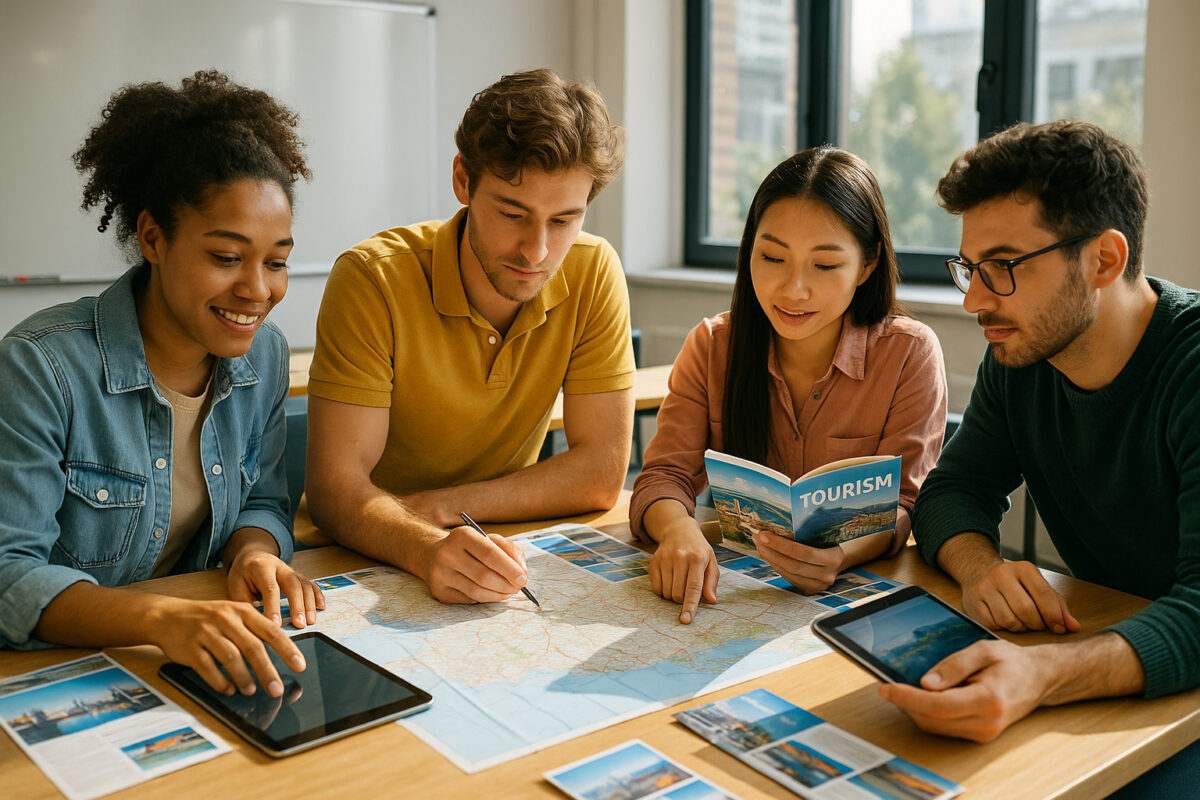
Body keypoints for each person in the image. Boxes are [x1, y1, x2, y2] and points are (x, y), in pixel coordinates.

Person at [0, 71, 325, 699]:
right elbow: (8, 575)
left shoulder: (267, 355)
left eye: (277, 261)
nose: (258, 290)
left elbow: (262, 501)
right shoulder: (40, 367)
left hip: (198, 656)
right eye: (227, 258)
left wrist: (253, 553)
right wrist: (161, 619)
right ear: (153, 237)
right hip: (74, 668)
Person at [886, 120, 1200, 765]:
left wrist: (1043, 675)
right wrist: (982, 570)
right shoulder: (1022, 357)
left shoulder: (1191, 368)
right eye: (968, 269)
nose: (974, 300)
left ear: (1104, 260)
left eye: (1002, 267)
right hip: (1122, 671)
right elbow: (953, 492)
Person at [305, 69, 635, 605]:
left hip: (493, 547)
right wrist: (426, 545)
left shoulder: (593, 269)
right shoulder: (373, 278)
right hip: (363, 558)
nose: (537, 251)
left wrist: (440, 509)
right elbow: (335, 489)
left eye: (565, 220)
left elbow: (600, 473)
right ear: (463, 180)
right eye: (512, 213)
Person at [630, 147, 947, 624]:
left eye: (824, 266)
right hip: (734, 599)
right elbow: (663, 477)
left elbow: (905, 504)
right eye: (773, 257)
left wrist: (839, 555)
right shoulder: (713, 345)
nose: (793, 289)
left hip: (856, 600)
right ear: (749, 251)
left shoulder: (909, 353)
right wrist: (679, 529)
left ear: (867, 264)